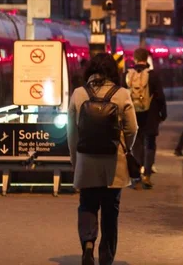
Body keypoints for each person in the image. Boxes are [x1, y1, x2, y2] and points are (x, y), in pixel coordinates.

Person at [68, 53, 138, 265]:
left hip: (86, 160)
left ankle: (88, 244)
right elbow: (132, 128)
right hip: (113, 162)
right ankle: (106, 255)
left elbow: (72, 133)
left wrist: (75, 160)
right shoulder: (122, 94)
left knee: (87, 204)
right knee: (110, 209)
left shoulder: (78, 94)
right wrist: (126, 148)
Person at [125, 47, 167, 189]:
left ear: (134, 58)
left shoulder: (128, 75)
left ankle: (136, 175)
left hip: (133, 115)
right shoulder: (153, 75)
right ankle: (147, 174)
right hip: (151, 115)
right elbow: (160, 96)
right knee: (149, 143)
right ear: (147, 58)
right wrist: (163, 113)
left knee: (136, 143)